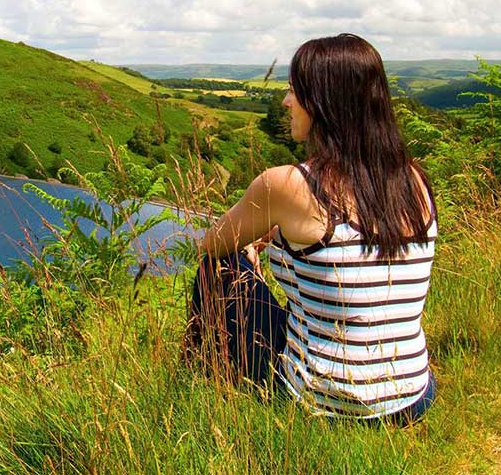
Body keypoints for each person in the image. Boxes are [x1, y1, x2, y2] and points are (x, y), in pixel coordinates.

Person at [185, 33, 437, 424]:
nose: (286, 102)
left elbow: (212, 243)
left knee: (219, 266)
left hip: (321, 401)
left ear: (323, 102)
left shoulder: (287, 184)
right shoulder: (414, 179)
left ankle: (200, 377)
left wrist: (250, 253)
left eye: (294, 91)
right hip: (412, 398)